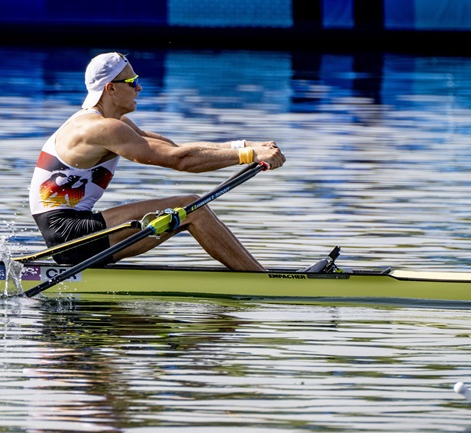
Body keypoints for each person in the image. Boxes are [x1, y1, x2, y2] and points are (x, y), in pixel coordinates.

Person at [28, 52, 285, 271]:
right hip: (69, 234)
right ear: (111, 88)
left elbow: (175, 148)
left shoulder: (112, 124)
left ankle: (258, 274)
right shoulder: (99, 128)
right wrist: (249, 157)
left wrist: (247, 146)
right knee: (191, 207)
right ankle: (265, 280)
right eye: (133, 81)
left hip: (74, 230)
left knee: (191, 207)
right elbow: (180, 161)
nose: (139, 87)